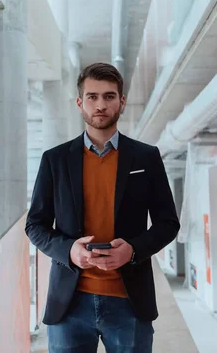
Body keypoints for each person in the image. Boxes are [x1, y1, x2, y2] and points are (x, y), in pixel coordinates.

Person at [25, 62, 180, 353]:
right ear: (80, 103)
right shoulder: (55, 160)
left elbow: (168, 223)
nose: (100, 105)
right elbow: (35, 225)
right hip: (69, 304)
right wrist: (69, 250)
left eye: (109, 96)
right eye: (93, 97)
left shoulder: (146, 157)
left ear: (121, 101)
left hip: (129, 302)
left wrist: (131, 250)